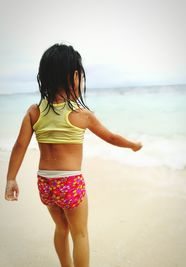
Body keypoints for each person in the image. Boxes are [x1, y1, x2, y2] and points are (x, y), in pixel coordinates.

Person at [4, 43, 143, 267]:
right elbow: (111, 137)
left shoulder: (34, 111)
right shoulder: (82, 115)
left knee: (61, 228)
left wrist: (11, 178)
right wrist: (133, 145)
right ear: (75, 76)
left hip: (45, 183)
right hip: (70, 182)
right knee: (80, 234)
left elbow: (19, 146)